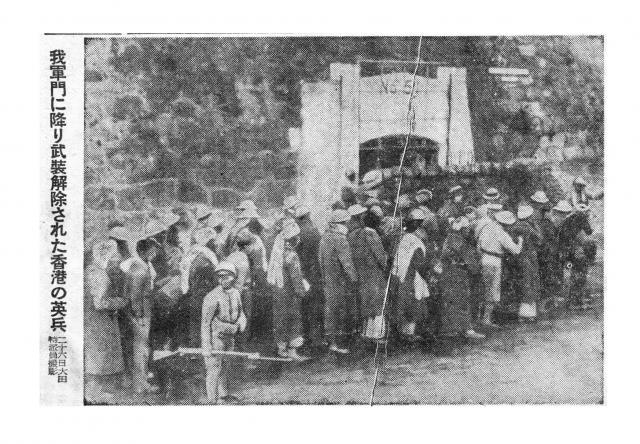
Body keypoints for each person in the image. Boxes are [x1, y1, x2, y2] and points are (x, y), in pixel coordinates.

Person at [116, 223, 163, 396]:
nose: (155, 253)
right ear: (145, 251)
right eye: (153, 250)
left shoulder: (139, 265)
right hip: (140, 314)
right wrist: (139, 315)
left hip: (140, 312)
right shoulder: (140, 269)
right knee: (140, 350)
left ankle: (137, 382)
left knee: (139, 348)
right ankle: (140, 386)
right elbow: (135, 296)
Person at [84, 240, 129, 402]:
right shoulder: (98, 274)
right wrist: (120, 302)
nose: (113, 260)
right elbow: (100, 302)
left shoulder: (92, 270)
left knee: (97, 353)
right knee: (98, 354)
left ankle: (95, 391)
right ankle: (92, 393)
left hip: (95, 319)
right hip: (99, 321)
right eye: (111, 257)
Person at [200, 261, 247, 404]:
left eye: (227, 277)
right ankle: (211, 401)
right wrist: (206, 346)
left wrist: (240, 324)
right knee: (214, 369)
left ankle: (223, 396)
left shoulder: (236, 293)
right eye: (220, 277)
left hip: (230, 338)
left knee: (225, 367)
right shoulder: (212, 297)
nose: (223, 280)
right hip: (217, 338)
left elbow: (241, 313)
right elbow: (205, 323)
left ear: (233, 277)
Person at [391, 208, 435, 341]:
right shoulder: (416, 240)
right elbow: (420, 262)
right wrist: (428, 275)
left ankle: (403, 331)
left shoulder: (401, 236)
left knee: (403, 301)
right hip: (411, 275)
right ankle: (408, 333)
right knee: (414, 302)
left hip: (398, 273)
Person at [437, 217, 485, 340]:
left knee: (452, 300)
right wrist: (477, 269)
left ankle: (454, 328)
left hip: (449, 271)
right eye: (467, 229)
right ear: (462, 229)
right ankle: (466, 329)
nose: (468, 231)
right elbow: (470, 261)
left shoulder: (450, 238)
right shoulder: (459, 241)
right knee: (462, 300)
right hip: (458, 273)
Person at [318, 209, 358, 354]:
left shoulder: (324, 238)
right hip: (340, 281)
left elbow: (320, 260)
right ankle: (340, 344)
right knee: (341, 311)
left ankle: (331, 342)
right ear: (339, 224)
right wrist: (354, 279)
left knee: (330, 311)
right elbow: (347, 263)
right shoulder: (340, 239)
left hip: (328, 280)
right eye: (345, 222)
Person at [348, 204, 388, 342]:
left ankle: (365, 333)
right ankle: (376, 334)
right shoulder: (371, 233)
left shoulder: (352, 234)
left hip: (360, 272)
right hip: (373, 272)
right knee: (377, 302)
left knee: (365, 302)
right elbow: (380, 255)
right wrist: (385, 266)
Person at [476, 210, 523, 328]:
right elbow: (516, 251)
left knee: (484, 288)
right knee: (492, 290)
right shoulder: (502, 233)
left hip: (483, 259)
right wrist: (520, 241)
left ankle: (479, 317)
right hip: (494, 261)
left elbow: (479, 245)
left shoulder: (486, 228)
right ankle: (486, 319)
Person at [271, 222, 309, 360]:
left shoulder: (277, 252)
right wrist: (301, 292)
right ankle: (293, 351)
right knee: (293, 320)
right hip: (290, 293)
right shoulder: (292, 255)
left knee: (280, 320)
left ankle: (281, 349)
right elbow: (296, 277)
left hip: (278, 292)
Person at [180, 227, 219, 347]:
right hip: (203, 293)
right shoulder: (206, 258)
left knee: (195, 322)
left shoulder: (192, 253)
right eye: (213, 240)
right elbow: (214, 277)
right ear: (208, 241)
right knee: (205, 321)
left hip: (192, 293)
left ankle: (195, 347)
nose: (215, 243)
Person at [295, 205, 324, 347]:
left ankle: (307, 337)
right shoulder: (314, 231)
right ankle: (316, 338)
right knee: (316, 306)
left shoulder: (299, 232)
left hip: (303, 273)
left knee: (305, 307)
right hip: (315, 274)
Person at [557, 202, 594, 309]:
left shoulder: (568, 219)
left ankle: (572, 301)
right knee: (580, 275)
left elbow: (562, 236)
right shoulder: (582, 219)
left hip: (568, 252)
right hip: (577, 251)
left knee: (575, 275)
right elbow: (589, 231)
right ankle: (576, 302)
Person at [512, 205, 543, 320]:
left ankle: (524, 312)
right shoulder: (527, 227)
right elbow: (539, 239)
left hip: (520, 257)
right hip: (528, 257)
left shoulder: (515, 226)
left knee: (525, 283)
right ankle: (527, 313)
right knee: (530, 282)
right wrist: (535, 226)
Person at [530, 191, 559, 308]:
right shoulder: (542, 220)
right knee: (545, 276)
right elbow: (549, 236)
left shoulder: (539, 218)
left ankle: (546, 302)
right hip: (543, 251)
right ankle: (543, 303)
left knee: (545, 275)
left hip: (543, 251)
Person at [225, 229, 252, 348]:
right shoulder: (243, 259)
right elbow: (240, 282)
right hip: (242, 292)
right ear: (246, 246)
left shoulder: (232, 255)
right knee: (244, 319)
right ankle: (241, 347)